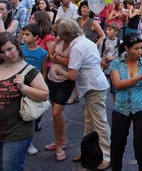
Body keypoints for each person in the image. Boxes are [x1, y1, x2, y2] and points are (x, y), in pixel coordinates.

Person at [53, 18, 111, 170]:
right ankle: (88, 152)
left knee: (99, 122)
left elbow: (72, 75)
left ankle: (106, 155)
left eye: (60, 34)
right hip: (93, 85)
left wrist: (60, 71)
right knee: (90, 122)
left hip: (93, 86)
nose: (58, 36)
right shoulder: (84, 42)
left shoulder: (78, 47)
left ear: (66, 34)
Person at [0, 32, 48, 171]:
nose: (7, 54)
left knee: (11, 168)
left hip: (17, 131)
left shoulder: (28, 70)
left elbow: (44, 95)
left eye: (10, 49)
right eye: (2, 52)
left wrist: (23, 87)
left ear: (17, 46)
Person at [109, 34, 142, 171]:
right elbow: (118, 84)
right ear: (127, 48)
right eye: (136, 48)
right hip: (121, 109)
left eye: (141, 48)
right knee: (117, 146)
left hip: (141, 109)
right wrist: (140, 77)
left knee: (141, 148)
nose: (140, 51)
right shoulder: (116, 63)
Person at [45, 19, 76, 161]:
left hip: (66, 81)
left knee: (56, 113)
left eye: (59, 31)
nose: (57, 33)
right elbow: (50, 55)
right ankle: (62, 141)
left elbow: (71, 63)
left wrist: (56, 58)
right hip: (52, 79)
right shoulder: (59, 39)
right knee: (58, 114)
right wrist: (59, 57)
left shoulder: (76, 43)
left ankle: (58, 145)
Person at [20, 23, 49, 155]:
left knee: (32, 113)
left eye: (27, 35)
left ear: (36, 37)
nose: (24, 37)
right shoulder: (20, 49)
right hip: (20, 85)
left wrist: (40, 86)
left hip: (34, 87)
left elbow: (43, 72)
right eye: (23, 34)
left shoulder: (43, 53)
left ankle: (29, 141)